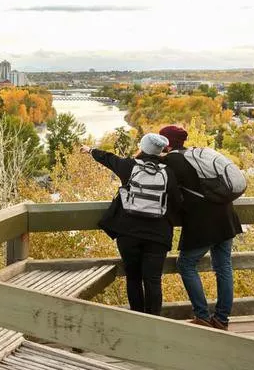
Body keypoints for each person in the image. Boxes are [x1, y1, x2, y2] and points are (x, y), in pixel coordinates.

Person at [82, 133, 182, 315]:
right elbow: (176, 202)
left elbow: (109, 159)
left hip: (128, 233)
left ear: (143, 148)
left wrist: (91, 151)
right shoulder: (168, 172)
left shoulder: (129, 166)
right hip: (158, 235)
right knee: (153, 280)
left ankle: (137, 319)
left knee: (133, 278)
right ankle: (154, 322)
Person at [159, 125, 243, 330]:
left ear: (167, 143)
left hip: (203, 222)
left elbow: (169, 190)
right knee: (223, 267)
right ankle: (221, 319)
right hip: (226, 217)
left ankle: (202, 315)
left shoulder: (171, 161)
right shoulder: (195, 156)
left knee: (186, 264)